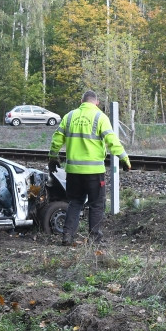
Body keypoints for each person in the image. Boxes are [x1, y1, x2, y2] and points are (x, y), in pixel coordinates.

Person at [48, 90, 131, 246]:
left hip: (73, 172)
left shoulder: (69, 116)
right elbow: (112, 140)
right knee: (97, 204)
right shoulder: (100, 117)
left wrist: (53, 157)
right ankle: (95, 239)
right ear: (97, 102)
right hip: (94, 172)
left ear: (81, 101)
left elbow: (56, 140)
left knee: (75, 202)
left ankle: (67, 236)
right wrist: (124, 158)